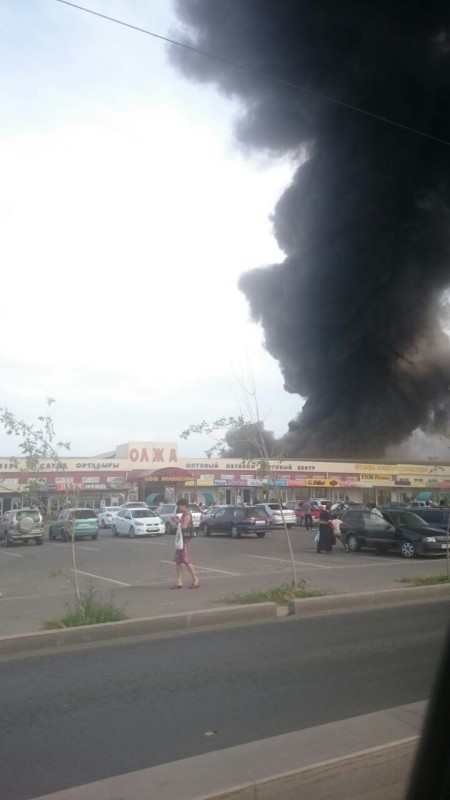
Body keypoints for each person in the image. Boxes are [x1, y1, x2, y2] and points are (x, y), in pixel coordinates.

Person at [172, 498, 200, 589]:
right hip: (181, 539)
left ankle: (195, 580)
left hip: (185, 540)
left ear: (184, 506)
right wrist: (177, 520)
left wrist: (176, 521)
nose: (179, 508)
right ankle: (179, 581)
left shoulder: (187, 515)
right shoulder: (184, 514)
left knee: (186, 560)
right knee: (178, 560)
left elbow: (184, 526)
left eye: (180, 506)